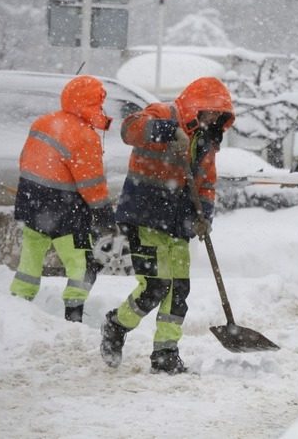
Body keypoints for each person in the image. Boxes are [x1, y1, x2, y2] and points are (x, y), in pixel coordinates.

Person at [100, 77, 235, 374]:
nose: (212, 118)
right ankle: (116, 324)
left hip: (179, 222)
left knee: (177, 289)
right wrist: (167, 131)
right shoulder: (162, 113)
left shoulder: (206, 140)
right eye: (209, 111)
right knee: (155, 287)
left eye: (218, 115)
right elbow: (129, 130)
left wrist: (204, 216)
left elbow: (207, 183)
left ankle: (165, 354)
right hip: (145, 215)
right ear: (195, 106)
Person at [9, 75, 116, 323]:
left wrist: (35, 192)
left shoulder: (43, 122)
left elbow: (25, 159)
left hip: (30, 201)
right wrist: (103, 213)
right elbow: (91, 183)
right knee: (82, 262)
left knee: (31, 257)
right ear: (92, 104)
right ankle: (74, 314)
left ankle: (17, 305)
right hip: (63, 210)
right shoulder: (84, 136)